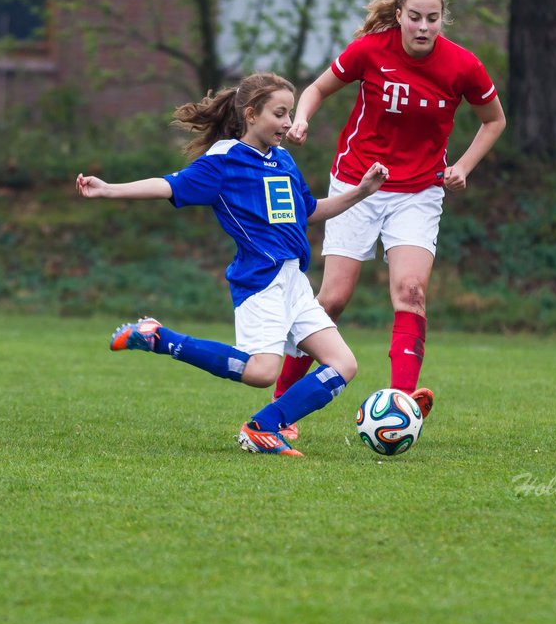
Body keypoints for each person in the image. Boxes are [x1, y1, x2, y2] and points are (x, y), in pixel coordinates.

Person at [76, 72, 389, 457]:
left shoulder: (284, 161)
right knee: (261, 373)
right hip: (260, 280)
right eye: (280, 113)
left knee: (343, 364)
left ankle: (264, 427)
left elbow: (309, 211)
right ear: (252, 114)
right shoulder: (223, 160)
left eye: (290, 113)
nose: (288, 123)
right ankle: (159, 337)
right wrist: (109, 189)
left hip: (295, 281)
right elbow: (168, 185)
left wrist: (362, 192)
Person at [272, 0, 506, 425]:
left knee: (412, 292)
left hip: (419, 191)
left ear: (443, 20)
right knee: (334, 299)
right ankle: (283, 405)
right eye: (414, 17)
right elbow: (318, 88)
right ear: (398, 15)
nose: (423, 27)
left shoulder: (463, 66)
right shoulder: (371, 51)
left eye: (432, 19)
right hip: (358, 184)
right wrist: (300, 120)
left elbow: (493, 121)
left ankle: (402, 403)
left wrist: (462, 167)